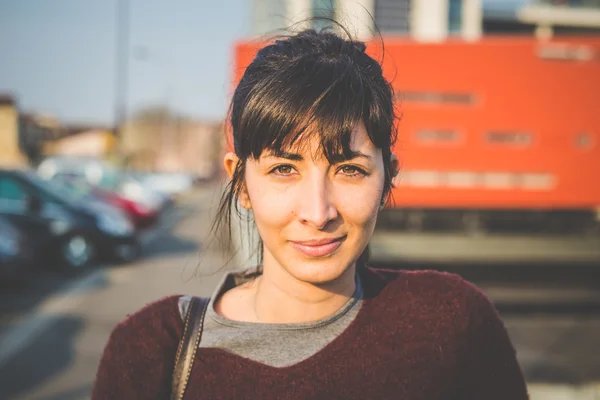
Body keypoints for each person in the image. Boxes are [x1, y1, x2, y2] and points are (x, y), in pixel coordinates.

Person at [91, 26, 529, 400]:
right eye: (284, 169)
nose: (318, 212)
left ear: (388, 178)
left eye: (350, 170)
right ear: (240, 182)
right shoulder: (151, 350)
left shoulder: (451, 324)